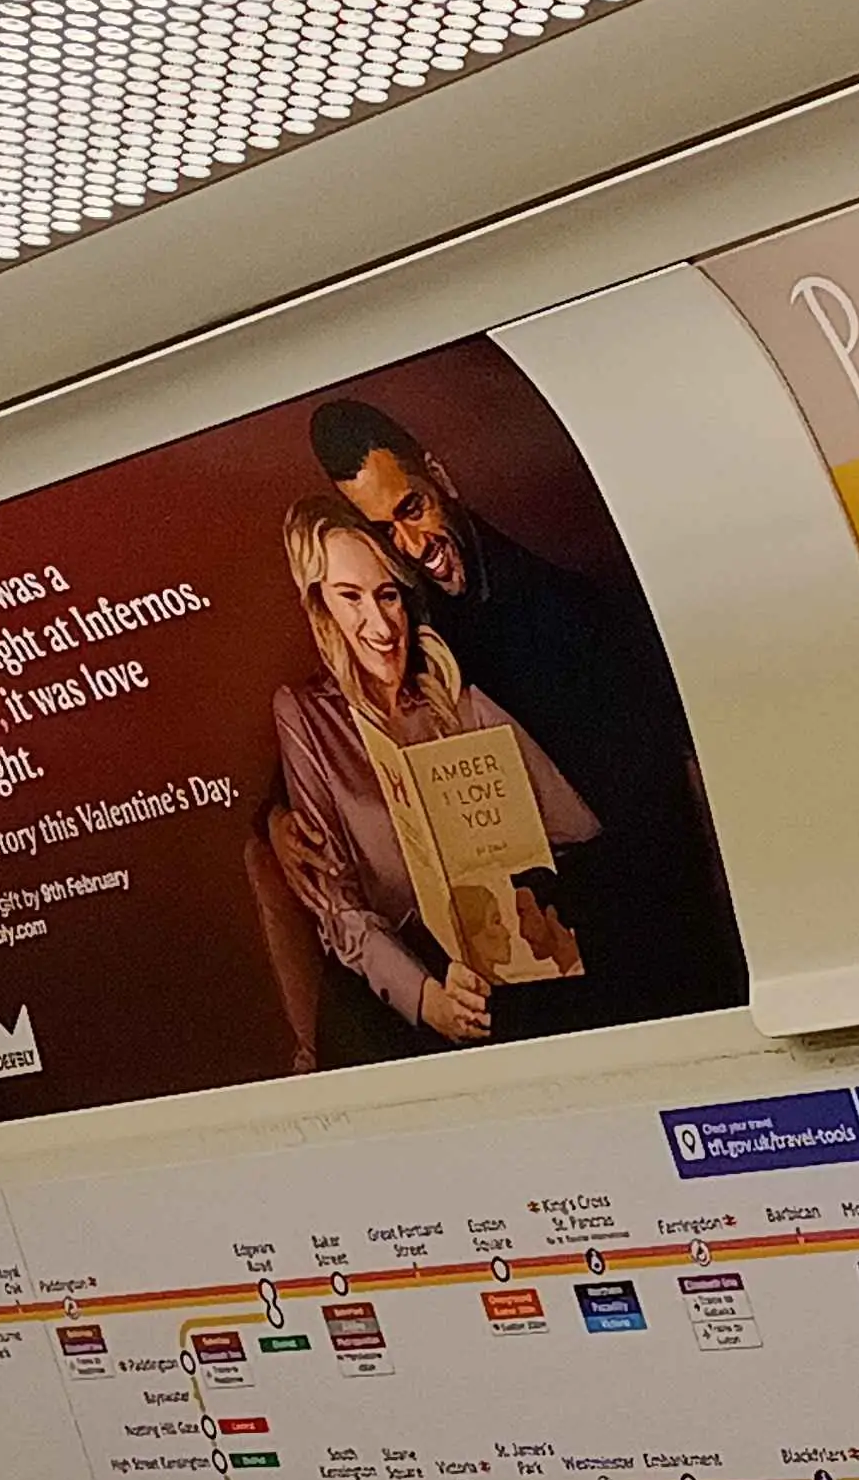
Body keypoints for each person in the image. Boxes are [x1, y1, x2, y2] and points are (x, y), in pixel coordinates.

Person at [307, 395, 744, 1016]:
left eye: (412, 508)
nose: (410, 545)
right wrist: (276, 820)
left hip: (629, 934)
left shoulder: (574, 614)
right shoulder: (404, 618)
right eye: (383, 533)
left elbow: (664, 823)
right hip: (504, 939)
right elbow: (347, 711)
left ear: (442, 477)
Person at [266, 494, 603, 1048]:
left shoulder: (457, 698)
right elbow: (337, 907)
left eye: (388, 595)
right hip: (402, 980)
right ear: (321, 607)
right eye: (350, 597)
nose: (378, 624)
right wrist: (425, 998)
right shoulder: (305, 716)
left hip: (508, 964)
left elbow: (574, 835)